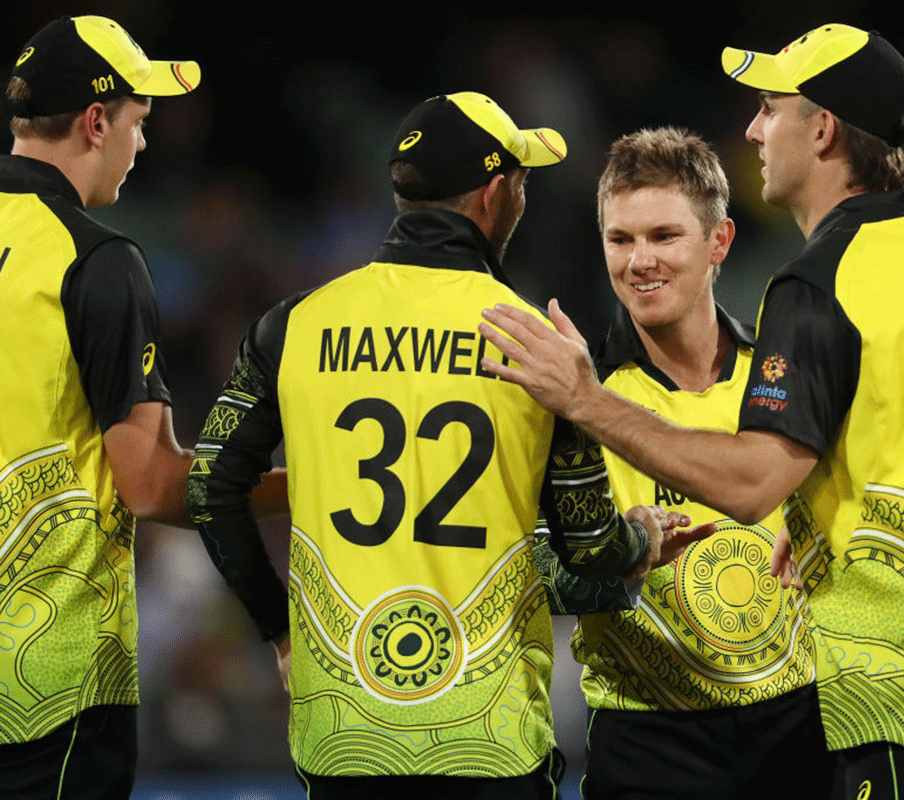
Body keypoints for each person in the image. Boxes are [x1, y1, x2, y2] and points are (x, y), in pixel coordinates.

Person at [479, 24, 904, 800]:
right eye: (621, 237)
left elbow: (752, 485)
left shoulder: (822, 283)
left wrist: (584, 399)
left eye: (770, 108)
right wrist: (835, 515)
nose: (752, 129)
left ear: (820, 131)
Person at [186, 92, 707, 800]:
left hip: (345, 734)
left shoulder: (293, 326)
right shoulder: (536, 345)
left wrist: (278, 629)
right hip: (489, 739)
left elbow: (210, 487)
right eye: (521, 181)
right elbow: (586, 545)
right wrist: (639, 542)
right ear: (495, 194)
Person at [535, 127, 830, 799]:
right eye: (620, 239)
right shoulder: (571, 393)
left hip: (803, 727)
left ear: (719, 242)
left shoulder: (786, 374)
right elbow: (524, 568)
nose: (640, 262)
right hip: (648, 746)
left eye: (664, 236)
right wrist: (619, 555)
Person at [0, 15, 206, 797]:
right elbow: (149, 486)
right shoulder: (99, 261)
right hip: (53, 689)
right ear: (96, 122)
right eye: (138, 121)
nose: (142, 143)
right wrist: (305, 483)